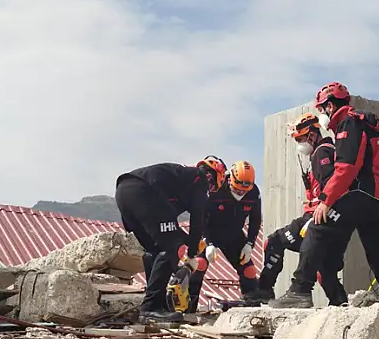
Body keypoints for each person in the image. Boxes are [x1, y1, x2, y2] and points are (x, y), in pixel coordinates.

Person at [270, 82, 379, 308]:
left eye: (322, 109)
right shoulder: (368, 125)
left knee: (317, 226)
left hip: (366, 194)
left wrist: (325, 201)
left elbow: (346, 168)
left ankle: (300, 290)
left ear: (330, 106)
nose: (322, 114)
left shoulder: (348, 123)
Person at [114, 156, 228, 322]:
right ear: (212, 177)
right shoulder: (200, 179)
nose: (209, 190)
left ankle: (156, 303)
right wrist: (192, 252)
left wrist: (188, 242)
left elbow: (169, 226)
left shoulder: (181, 179)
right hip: (144, 192)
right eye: (213, 187)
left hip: (124, 192)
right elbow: (197, 218)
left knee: (154, 250)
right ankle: (151, 308)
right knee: (171, 248)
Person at [256, 113, 349, 306]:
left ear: (313, 135)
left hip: (318, 215)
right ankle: (340, 303)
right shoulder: (329, 150)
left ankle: (264, 292)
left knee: (274, 242)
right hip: (335, 220)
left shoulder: (322, 153)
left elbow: (331, 186)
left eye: (300, 138)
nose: (298, 143)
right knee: (324, 266)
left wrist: (314, 219)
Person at [187, 160, 269, 311]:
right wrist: (207, 242)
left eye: (244, 191)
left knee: (248, 269)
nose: (241, 194)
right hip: (209, 233)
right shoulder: (216, 188)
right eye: (238, 190)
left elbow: (255, 219)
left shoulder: (253, 192)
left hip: (234, 235)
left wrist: (250, 244)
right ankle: (188, 308)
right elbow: (200, 216)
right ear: (230, 179)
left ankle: (250, 308)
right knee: (199, 264)